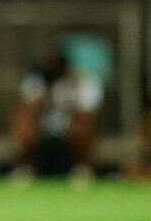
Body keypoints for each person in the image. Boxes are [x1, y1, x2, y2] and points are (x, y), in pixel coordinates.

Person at [10, 49, 102, 177]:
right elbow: (27, 108)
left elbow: (86, 112)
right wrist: (44, 99)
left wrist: (68, 107)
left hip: (68, 124)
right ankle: (25, 167)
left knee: (83, 127)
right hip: (43, 125)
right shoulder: (37, 80)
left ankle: (82, 168)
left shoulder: (79, 81)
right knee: (24, 124)